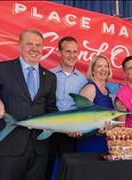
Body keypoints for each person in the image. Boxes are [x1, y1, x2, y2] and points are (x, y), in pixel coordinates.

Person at [0, 29, 58, 180]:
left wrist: (69, 124)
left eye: (38, 45)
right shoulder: (4, 68)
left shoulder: (51, 77)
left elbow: (51, 108)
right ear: (19, 45)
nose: (34, 48)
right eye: (29, 44)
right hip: (11, 146)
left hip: (40, 148)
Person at [46, 36, 88, 178]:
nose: (72, 55)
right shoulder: (48, 75)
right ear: (59, 53)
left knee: (68, 172)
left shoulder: (83, 79)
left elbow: (84, 107)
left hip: (70, 133)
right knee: (44, 170)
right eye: (68, 51)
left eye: (75, 52)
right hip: (49, 130)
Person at [76, 55, 113, 153]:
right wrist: (97, 130)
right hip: (90, 144)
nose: (103, 69)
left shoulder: (107, 91)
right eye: (100, 66)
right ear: (92, 70)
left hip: (105, 143)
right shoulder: (90, 88)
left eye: (106, 66)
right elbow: (80, 119)